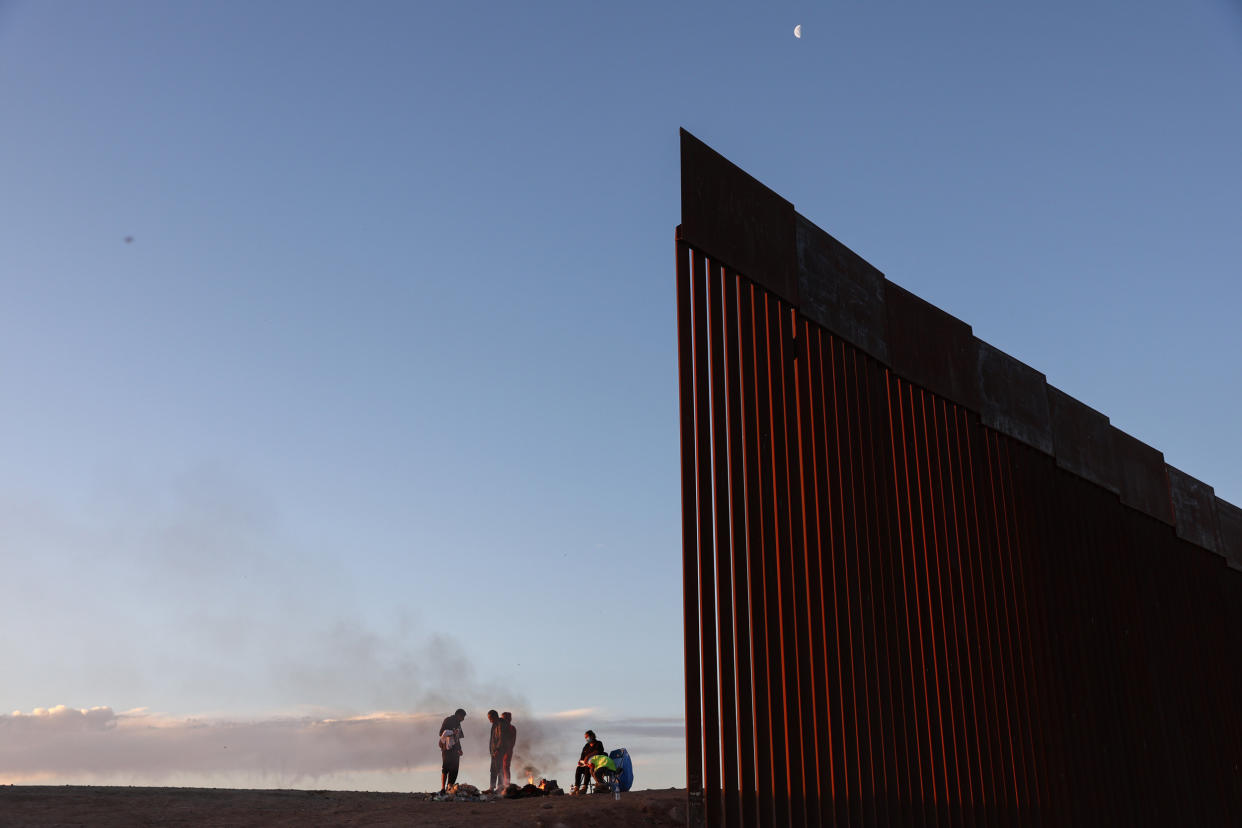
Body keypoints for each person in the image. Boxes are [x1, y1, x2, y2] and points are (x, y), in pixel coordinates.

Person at [437, 708, 466, 793]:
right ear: (458, 715)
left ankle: (449, 787)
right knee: (445, 768)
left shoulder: (458, 723)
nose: (463, 719)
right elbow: (441, 733)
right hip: (446, 748)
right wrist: (452, 731)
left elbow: (457, 738)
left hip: (455, 749)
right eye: (463, 717)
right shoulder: (448, 720)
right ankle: (443, 788)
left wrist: (460, 749)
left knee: (455, 769)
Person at [572, 729, 605, 794]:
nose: (586, 739)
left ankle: (584, 787)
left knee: (588, 767)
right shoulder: (586, 746)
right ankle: (576, 787)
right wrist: (580, 762)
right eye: (585, 738)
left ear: (592, 736)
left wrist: (588, 756)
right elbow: (582, 756)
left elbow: (598, 751)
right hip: (586, 763)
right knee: (578, 768)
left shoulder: (598, 743)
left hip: (596, 764)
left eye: (587, 737)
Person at [486, 709, 504, 793]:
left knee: (500, 769)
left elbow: (501, 738)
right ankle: (492, 787)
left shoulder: (500, 724)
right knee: (493, 769)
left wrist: (497, 749)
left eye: (490, 718)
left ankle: (500, 787)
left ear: (494, 716)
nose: (489, 720)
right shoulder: (494, 725)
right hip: (494, 752)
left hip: (499, 752)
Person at [499, 711, 517, 788]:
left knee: (505, 767)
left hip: (507, 751)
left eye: (505, 718)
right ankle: (502, 785)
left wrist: (507, 750)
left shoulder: (511, 728)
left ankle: (506, 784)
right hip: (501, 750)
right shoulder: (500, 727)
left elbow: (512, 741)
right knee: (501, 768)